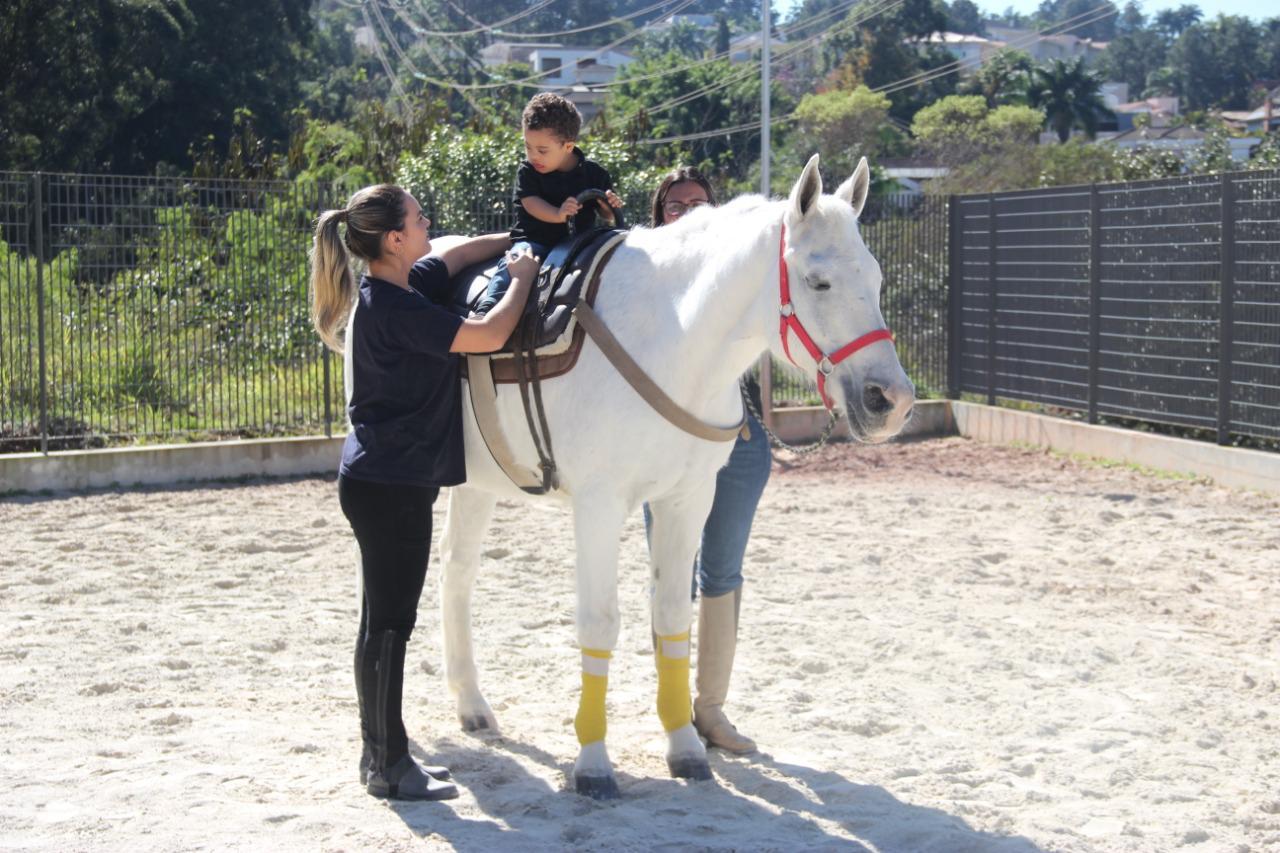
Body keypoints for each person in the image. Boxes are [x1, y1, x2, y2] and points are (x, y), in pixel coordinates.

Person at [310, 184, 539, 801]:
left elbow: (457, 257)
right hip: (390, 486)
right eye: (416, 218)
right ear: (392, 239)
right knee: (388, 626)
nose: (426, 222)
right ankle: (387, 764)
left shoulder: (395, 287)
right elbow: (488, 334)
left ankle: (383, 754)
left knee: (379, 623)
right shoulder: (396, 307)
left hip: (381, 479)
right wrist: (521, 276)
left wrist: (514, 239)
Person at [648, 167, 772, 754]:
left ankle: (712, 710)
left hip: (740, 441)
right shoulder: (648, 283)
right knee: (672, 572)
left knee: (723, 573)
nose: (691, 212)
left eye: (700, 202)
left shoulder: (735, 286)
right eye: (676, 206)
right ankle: (673, 706)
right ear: (660, 217)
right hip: (668, 447)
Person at [474, 92, 622, 315]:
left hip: (579, 246)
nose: (534, 156)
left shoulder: (594, 174)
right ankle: (488, 306)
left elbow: (608, 215)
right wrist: (558, 214)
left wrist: (609, 205)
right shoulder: (528, 172)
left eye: (542, 150)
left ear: (568, 146)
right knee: (515, 261)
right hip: (536, 242)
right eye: (528, 147)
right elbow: (531, 203)